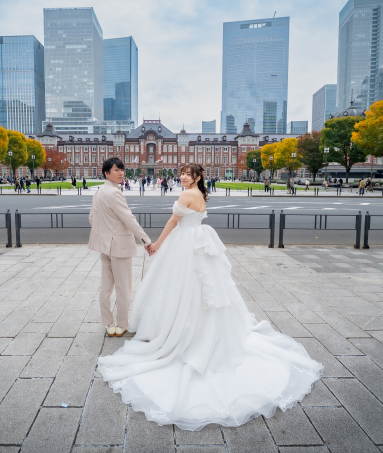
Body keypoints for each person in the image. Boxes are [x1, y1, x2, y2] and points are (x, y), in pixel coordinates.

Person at [98, 162, 323, 431]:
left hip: (184, 243)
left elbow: (173, 221)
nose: (182, 177)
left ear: (198, 177)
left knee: (180, 287)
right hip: (198, 240)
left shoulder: (186, 195)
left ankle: (175, 329)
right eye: (181, 173)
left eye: (187, 174)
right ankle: (195, 326)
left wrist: (156, 244)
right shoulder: (201, 194)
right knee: (205, 289)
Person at [88, 157, 152, 338]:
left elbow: (92, 219)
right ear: (106, 173)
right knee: (123, 287)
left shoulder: (99, 191)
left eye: (122, 170)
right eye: (116, 170)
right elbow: (128, 219)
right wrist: (146, 240)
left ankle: (108, 323)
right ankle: (122, 324)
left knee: (106, 287)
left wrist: (105, 232)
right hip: (119, 246)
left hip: (105, 246)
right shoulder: (114, 193)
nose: (121, 173)